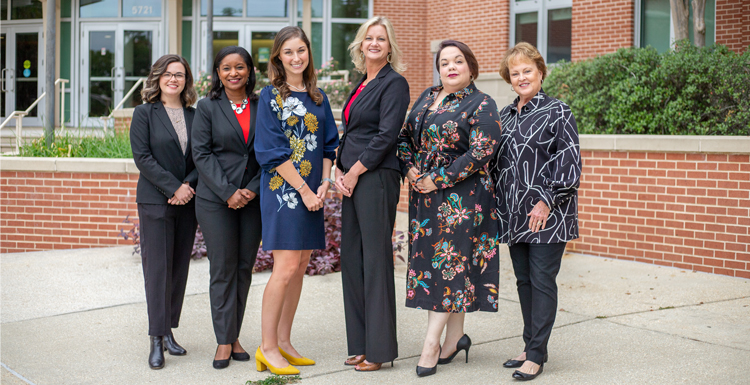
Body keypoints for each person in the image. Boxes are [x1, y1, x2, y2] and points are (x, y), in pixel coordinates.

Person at [397, 40, 502, 378]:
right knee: (448, 266)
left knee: (448, 265)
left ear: (471, 67)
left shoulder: (482, 103)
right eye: (444, 62)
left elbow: (482, 151)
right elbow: (404, 138)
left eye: (458, 61)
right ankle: (455, 338)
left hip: (463, 200)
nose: (451, 67)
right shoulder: (427, 96)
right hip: (425, 197)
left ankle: (431, 343)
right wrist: (410, 170)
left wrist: (436, 179)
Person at [492, 42, 581, 381]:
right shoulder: (505, 115)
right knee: (524, 281)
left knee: (542, 281)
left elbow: (569, 164)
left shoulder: (558, 111)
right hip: (515, 216)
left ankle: (537, 355)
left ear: (541, 73)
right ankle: (531, 345)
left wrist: (545, 201)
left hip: (549, 215)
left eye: (527, 70)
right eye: (515, 73)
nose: (521, 77)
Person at [253, 26, 340, 376]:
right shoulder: (270, 96)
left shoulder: (319, 97)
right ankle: (267, 347)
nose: (295, 57)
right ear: (278, 57)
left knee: (301, 265)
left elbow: (330, 144)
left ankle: (285, 342)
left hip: (312, 194)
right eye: (288, 52)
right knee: (285, 267)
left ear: (308, 53)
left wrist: (324, 183)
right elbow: (270, 151)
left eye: (301, 50)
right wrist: (304, 190)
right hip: (283, 193)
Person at [334, 16, 410, 372]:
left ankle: (379, 350)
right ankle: (360, 343)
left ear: (389, 45)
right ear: (360, 45)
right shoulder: (361, 82)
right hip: (351, 179)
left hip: (376, 178)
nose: (375, 43)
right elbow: (350, 131)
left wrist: (352, 171)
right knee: (351, 257)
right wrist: (337, 167)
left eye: (381, 38)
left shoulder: (394, 84)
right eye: (369, 38)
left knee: (375, 261)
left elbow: (385, 135)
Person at [192, 46, 263, 370]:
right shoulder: (207, 107)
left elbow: (274, 151)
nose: (233, 73)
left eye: (239, 67)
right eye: (226, 68)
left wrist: (251, 189)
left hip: (253, 198)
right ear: (217, 73)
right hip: (215, 200)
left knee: (243, 268)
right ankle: (224, 340)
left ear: (249, 70)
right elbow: (201, 154)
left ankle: (233, 335)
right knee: (222, 268)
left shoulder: (265, 105)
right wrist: (227, 192)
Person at [130, 54, 199, 370]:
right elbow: (143, 158)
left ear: (186, 81)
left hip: (188, 202)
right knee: (157, 269)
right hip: (156, 201)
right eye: (169, 74)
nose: (174, 79)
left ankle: (169, 331)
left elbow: (202, 157)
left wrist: (187, 186)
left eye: (180, 75)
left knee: (177, 268)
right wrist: (174, 188)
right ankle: (156, 339)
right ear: (157, 78)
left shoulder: (195, 116)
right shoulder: (144, 113)